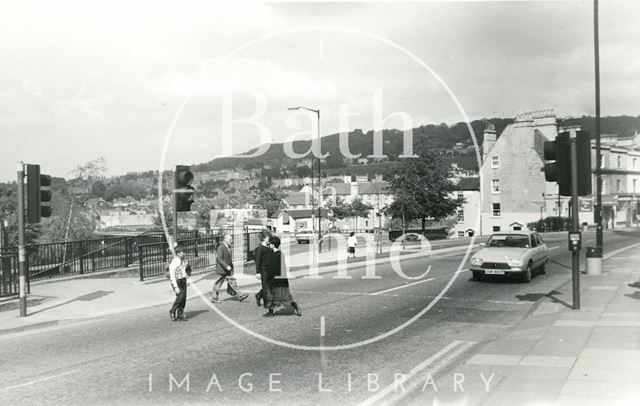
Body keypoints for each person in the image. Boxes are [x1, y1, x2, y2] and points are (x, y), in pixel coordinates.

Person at [264, 236, 301, 317]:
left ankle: (271, 312)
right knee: (284, 296)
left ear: (273, 245)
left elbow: (272, 269)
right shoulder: (281, 254)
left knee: (271, 295)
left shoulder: (273, 255)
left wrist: (268, 277)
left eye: (269, 244)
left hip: (275, 279)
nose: (269, 245)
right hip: (282, 279)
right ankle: (295, 306)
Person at [212, 234, 248, 303]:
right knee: (217, 284)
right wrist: (226, 266)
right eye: (230, 240)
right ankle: (214, 298)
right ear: (225, 239)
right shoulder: (221, 247)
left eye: (231, 240)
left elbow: (229, 259)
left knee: (233, 282)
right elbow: (220, 259)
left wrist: (231, 268)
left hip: (228, 270)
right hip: (222, 270)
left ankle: (240, 296)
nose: (231, 241)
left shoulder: (228, 247)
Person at [169, 246, 189, 321]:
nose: (183, 253)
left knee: (184, 298)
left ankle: (180, 313)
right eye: (181, 252)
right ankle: (172, 311)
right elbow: (172, 275)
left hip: (183, 280)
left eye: (183, 252)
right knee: (180, 297)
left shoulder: (183, 260)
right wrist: (175, 286)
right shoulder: (174, 262)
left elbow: (184, 271)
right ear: (177, 253)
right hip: (177, 281)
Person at [254, 230, 272, 308]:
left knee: (270, 286)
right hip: (263, 270)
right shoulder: (260, 248)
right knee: (265, 287)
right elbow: (258, 261)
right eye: (268, 238)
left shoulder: (269, 246)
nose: (270, 239)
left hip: (270, 269)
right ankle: (266, 304)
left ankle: (258, 295)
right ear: (264, 238)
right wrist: (258, 272)